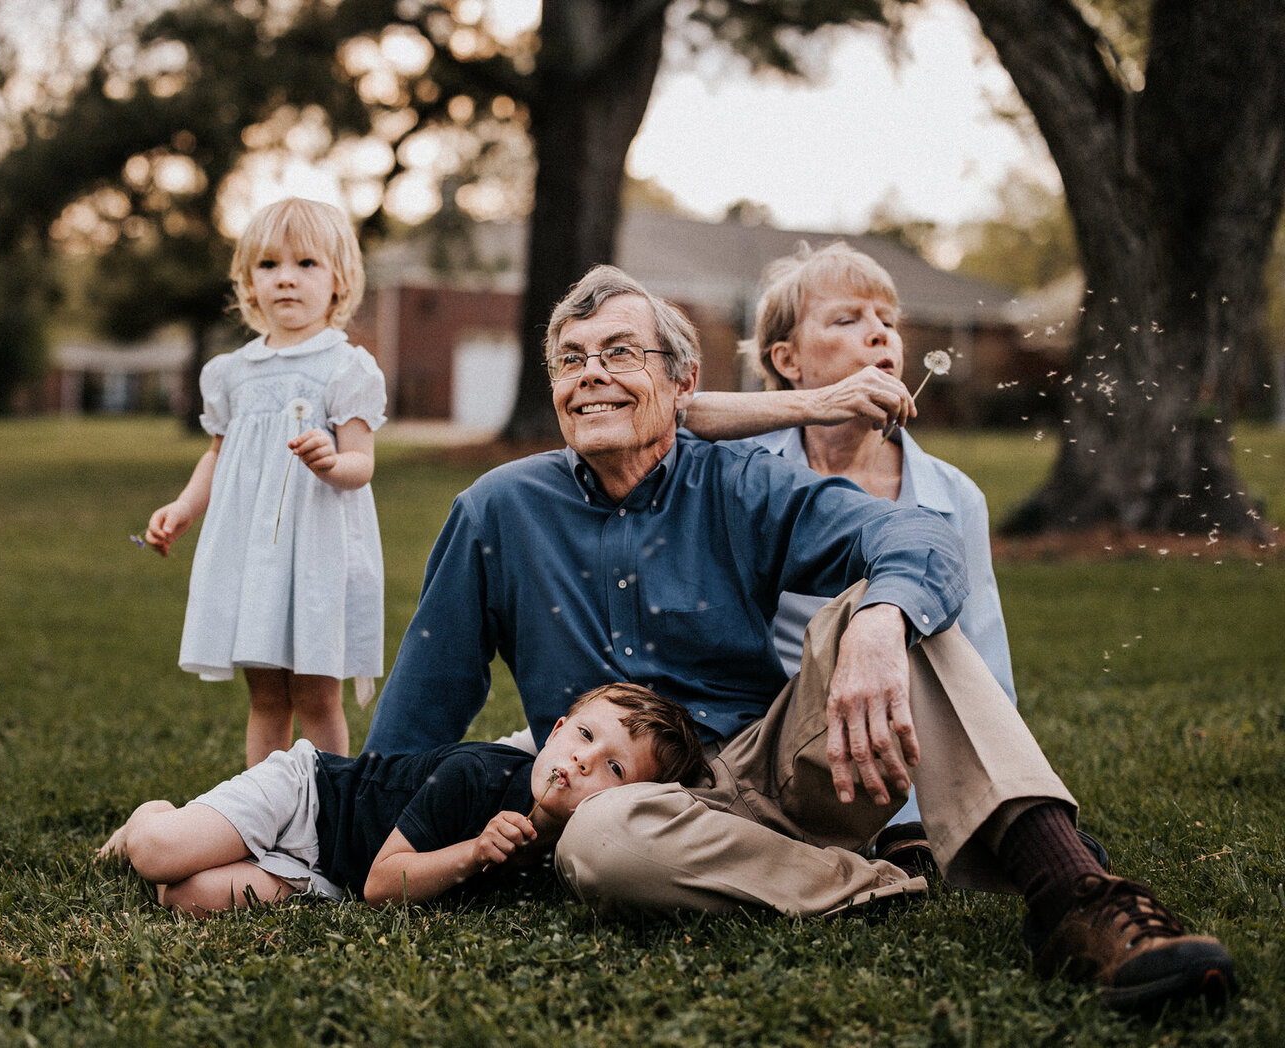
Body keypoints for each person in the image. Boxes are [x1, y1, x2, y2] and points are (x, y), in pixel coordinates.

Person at [362, 264, 1236, 1013]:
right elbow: (429, 689)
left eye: (620, 353)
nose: (591, 376)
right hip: (620, 806)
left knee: (899, 608)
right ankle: (859, 882)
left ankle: (1074, 892)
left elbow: (920, 541)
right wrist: (369, 834)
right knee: (599, 842)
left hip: (770, 769)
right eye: (570, 360)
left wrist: (879, 620)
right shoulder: (497, 509)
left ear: (683, 382)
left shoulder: (741, 483)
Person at [682, 240, 1108, 877]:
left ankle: (958, 823)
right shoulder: (749, 468)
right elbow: (667, 419)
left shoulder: (952, 493)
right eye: (847, 319)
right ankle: (888, 833)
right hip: (785, 740)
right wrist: (813, 406)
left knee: (925, 618)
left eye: (887, 320)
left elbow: (982, 657)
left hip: (907, 734)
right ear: (786, 360)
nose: (878, 333)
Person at [142, 198, 387, 766]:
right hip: (256, 556)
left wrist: (330, 461)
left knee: (317, 696)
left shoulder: (345, 368)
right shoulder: (232, 373)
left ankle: (331, 814)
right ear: (249, 283)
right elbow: (218, 456)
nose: (286, 279)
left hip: (318, 554)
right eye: (269, 265)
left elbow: (361, 464)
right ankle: (265, 809)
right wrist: (182, 508)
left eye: (306, 264)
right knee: (268, 696)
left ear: (339, 280)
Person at [98, 683, 709, 911]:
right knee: (158, 853)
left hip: (330, 873)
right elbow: (383, 885)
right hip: (312, 798)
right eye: (582, 734)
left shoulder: (572, 852)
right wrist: (473, 852)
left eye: (614, 766)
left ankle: (202, 852)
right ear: (552, 732)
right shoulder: (474, 775)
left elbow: (360, 887)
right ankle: (150, 817)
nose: (581, 759)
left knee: (184, 896)